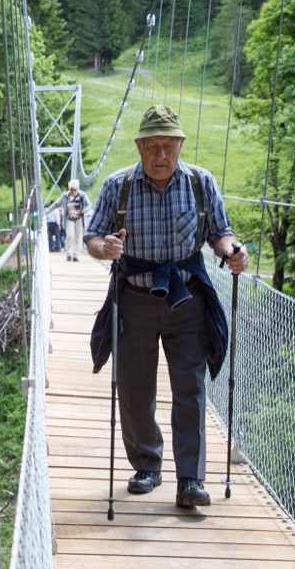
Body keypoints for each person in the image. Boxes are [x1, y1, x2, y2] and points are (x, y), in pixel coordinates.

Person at [83, 105, 249, 510]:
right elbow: (92, 238)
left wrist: (232, 253)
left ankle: (190, 480)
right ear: (139, 146)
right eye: (153, 146)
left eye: (168, 145)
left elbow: (220, 234)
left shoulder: (200, 183)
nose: (161, 155)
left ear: (181, 145)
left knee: (190, 388)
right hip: (135, 299)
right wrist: (105, 249)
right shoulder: (117, 186)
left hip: (185, 298)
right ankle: (147, 465)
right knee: (135, 389)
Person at [50, 178, 91, 261]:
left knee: (78, 237)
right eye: (71, 190)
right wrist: (47, 211)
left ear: (77, 189)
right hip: (69, 218)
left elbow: (89, 205)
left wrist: (84, 210)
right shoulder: (65, 196)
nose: (72, 191)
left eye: (74, 190)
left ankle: (76, 254)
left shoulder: (82, 195)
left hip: (79, 219)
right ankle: (69, 253)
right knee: (70, 235)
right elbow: (56, 204)